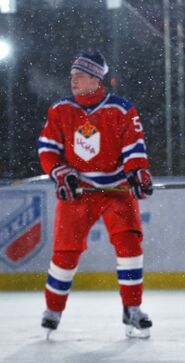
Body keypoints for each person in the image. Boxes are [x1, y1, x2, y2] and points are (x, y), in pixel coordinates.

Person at [37, 50, 154, 339]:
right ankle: (53, 310)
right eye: (72, 76)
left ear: (95, 78)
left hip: (116, 191)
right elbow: (48, 149)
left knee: (130, 248)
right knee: (64, 254)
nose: (73, 80)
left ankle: (132, 310)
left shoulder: (122, 109)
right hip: (78, 193)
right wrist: (60, 172)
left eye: (79, 76)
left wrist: (138, 171)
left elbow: (134, 148)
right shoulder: (60, 110)